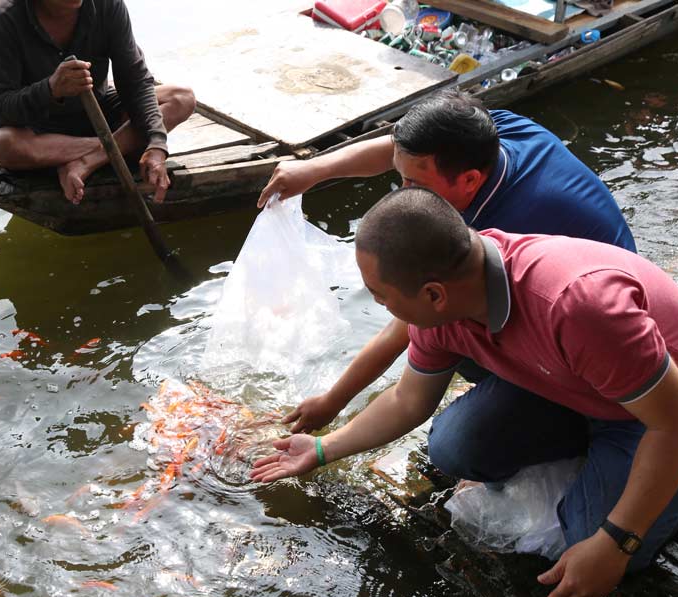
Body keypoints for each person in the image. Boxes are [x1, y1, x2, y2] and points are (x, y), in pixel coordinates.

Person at [251, 187, 678, 597]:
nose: (380, 307)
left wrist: (616, 542)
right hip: (570, 387)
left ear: (434, 294)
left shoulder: (576, 304)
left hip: (672, 408)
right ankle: (597, 457)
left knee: (601, 545)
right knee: (454, 447)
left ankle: (632, 482)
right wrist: (322, 449)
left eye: (380, 296)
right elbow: (407, 399)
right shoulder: (447, 304)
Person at [258, 91, 637, 434]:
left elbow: (406, 324)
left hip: (602, 333)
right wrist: (317, 169)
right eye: (402, 177)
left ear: (469, 180)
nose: (404, 191)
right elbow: (401, 151)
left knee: (446, 335)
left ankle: (560, 418)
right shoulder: (489, 132)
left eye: (416, 185)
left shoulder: (501, 231)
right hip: (600, 286)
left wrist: (332, 401)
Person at [0, 0, 196, 205]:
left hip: (100, 112)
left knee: (181, 98)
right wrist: (50, 90)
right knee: (2, 144)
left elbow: (135, 82)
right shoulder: (4, 16)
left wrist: (157, 143)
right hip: (41, 129)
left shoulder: (108, 5)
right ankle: (117, 146)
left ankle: (89, 160)